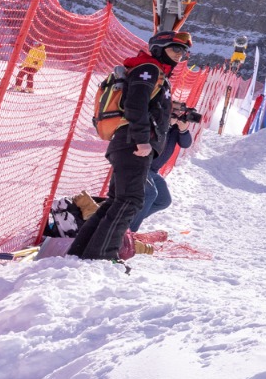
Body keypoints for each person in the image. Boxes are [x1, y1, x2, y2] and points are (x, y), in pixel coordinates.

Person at [68, 31, 190, 261]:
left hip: (130, 144)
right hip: (133, 144)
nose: (179, 55)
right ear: (159, 48)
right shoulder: (149, 69)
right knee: (130, 200)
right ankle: (101, 256)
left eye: (183, 53)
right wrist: (143, 141)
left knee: (117, 201)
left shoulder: (156, 73)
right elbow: (134, 105)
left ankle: (80, 253)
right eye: (175, 49)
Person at [131, 102, 200, 233]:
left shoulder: (175, 128)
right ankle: (129, 231)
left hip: (153, 171)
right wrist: (167, 124)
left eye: (181, 112)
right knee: (151, 194)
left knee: (164, 200)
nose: (178, 114)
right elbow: (153, 136)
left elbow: (186, 144)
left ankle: (130, 220)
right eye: (175, 110)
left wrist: (183, 130)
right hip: (140, 165)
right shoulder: (156, 120)